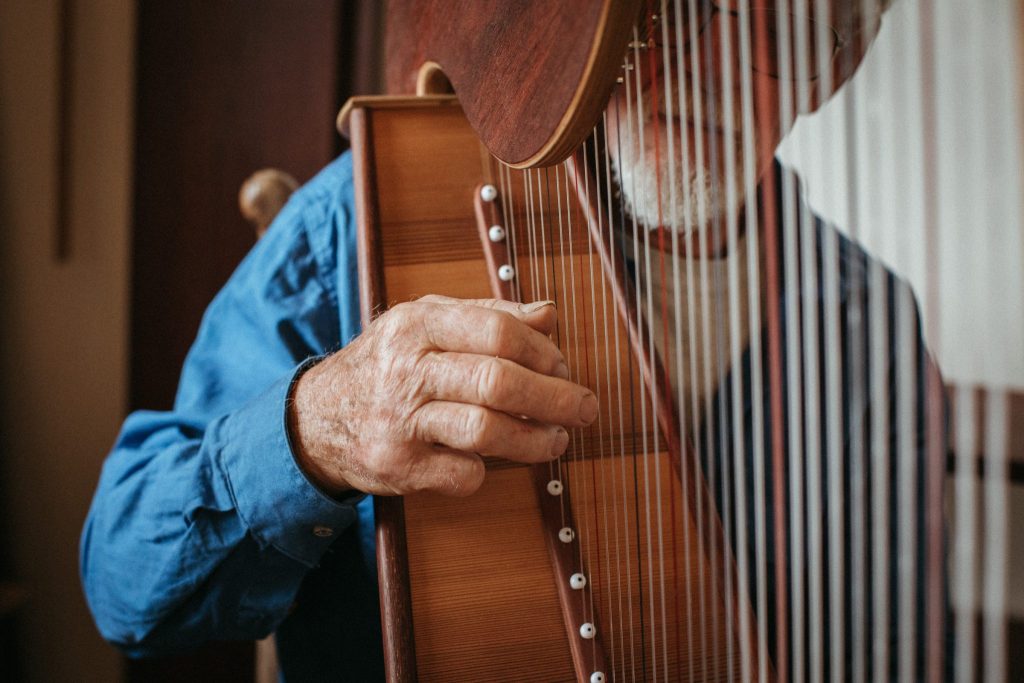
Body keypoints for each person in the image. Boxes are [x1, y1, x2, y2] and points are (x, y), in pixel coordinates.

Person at [82, 1, 929, 679]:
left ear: (837, 68)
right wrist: (323, 425)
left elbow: (904, 643)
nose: (706, 66)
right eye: (674, 9)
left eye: (777, 28)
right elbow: (121, 586)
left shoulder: (871, 318)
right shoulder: (351, 215)